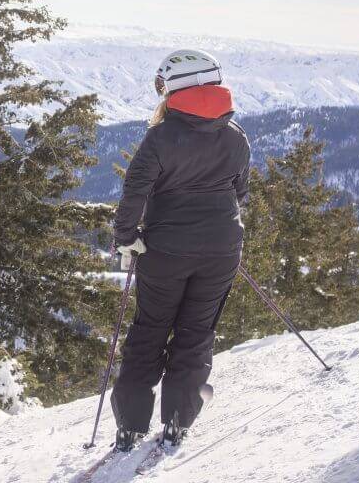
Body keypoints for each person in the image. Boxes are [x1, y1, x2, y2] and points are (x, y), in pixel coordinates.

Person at [109, 48, 250, 452]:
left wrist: (125, 237)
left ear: (177, 87)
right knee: (196, 332)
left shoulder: (161, 137)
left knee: (150, 329)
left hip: (166, 251)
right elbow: (240, 192)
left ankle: (130, 426)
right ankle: (177, 422)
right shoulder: (236, 136)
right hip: (221, 250)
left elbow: (134, 190)